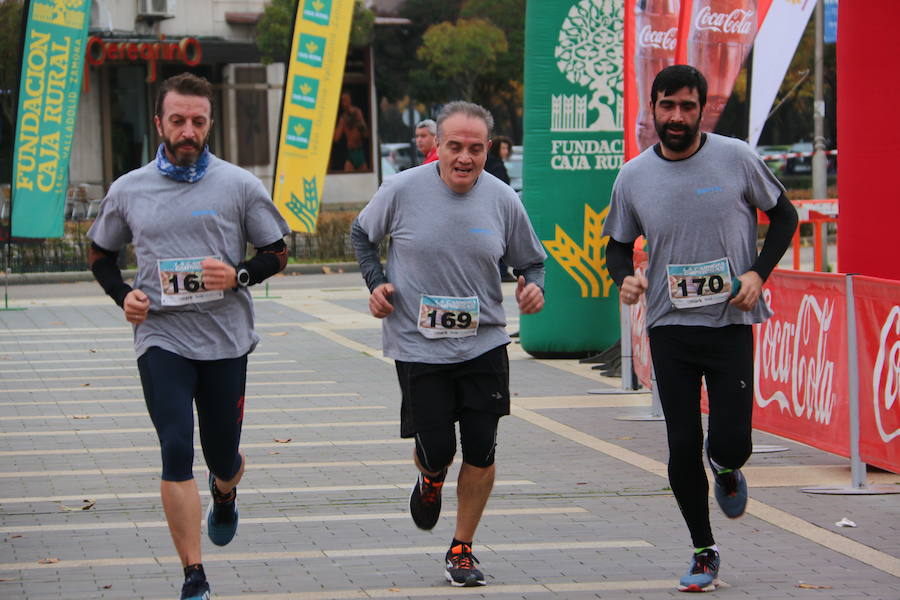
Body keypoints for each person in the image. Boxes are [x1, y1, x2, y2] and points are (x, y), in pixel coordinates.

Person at [87, 72, 290, 600]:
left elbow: (279, 249)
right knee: (176, 447)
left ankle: (225, 491)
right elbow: (100, 254)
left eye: (197, 121)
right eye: (177, 120)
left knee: (222, 456)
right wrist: (123, 295)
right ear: (159, 122)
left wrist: (240, 275)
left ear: (209, 124)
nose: (187, 130)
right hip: (162, 338)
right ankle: (193, 576)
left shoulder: (239, 185)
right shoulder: (129, 189)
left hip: (226, 340)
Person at [602, 65, 798, 593]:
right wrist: (625, 278)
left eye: (688, 107)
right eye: (667, 106)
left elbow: (785, 217)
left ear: (702, 109)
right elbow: (616, 245)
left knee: (732, 441)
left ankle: (727, 465)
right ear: (653, 107)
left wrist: (758, 272)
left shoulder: (736, 158)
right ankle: (703, 550)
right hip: (669, 327)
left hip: (731, 321)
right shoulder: (634, 176)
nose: (677, 117)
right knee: (681, 442)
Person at [351, 101, 546, 587]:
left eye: (475, 148)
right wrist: (376, 282)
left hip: (483, 344)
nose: (464, 158)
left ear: (489, 149)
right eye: (455, 146)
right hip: (419, 345)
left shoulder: (502, 199)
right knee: (438, 447)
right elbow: (361, 234)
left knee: (480, 448)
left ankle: (461, 548)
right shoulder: (401, 189)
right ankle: (431, 475)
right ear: (436, 145)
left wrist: (533, 285)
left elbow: (532, 261)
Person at [483, 137, 516, 282]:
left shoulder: (490, 163)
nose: (506, 151)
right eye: (503, 148)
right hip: (495, 211)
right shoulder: (497, 166)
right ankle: (502, 272)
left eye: (507, 148)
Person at [333, 91, 369, 171]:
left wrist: (359, 123)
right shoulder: (343, 118)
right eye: (342, 101)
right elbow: (336, 138)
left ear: (350, 100)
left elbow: (366, 134)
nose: (343, 103)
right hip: (350, 152)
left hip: (359, 152)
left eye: (345, 100)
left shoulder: (357, 112)